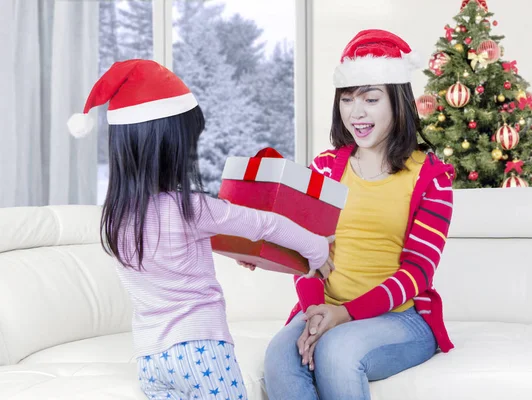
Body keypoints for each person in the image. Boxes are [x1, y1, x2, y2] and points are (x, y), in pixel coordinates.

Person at [67, 59, 334, 400]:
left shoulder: (117, 218)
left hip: (150, 358)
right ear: (170, 147)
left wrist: (247, 255)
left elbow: (184, 251)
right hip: (202, 352)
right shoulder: (189, 207)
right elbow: (265, 224)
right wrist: (316, 250)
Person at [262, 29, 456, 400]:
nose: (357, 112)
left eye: (370, 98)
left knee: (337, 352)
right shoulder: (324, 169)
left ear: (398, 102)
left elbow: (417, 273)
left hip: (401, 318)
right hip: (325, 307)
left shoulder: (431, 177)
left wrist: (343, 316)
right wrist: (316, 310)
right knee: (279, 357)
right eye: (348, 99)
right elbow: (307, 254)